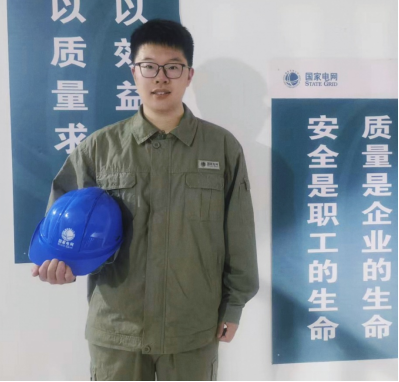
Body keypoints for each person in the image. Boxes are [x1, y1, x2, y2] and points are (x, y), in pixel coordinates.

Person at [31, 19, 259, 381]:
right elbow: (60, 223)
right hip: (117, 331)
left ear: (189, 75)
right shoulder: (99, 148)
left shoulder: (222, 148)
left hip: (192, 329)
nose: (161, 78)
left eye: (173, 67)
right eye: (149, 66)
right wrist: (58, 263)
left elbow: (240, 234)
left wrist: (234, 306)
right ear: (134, 73)